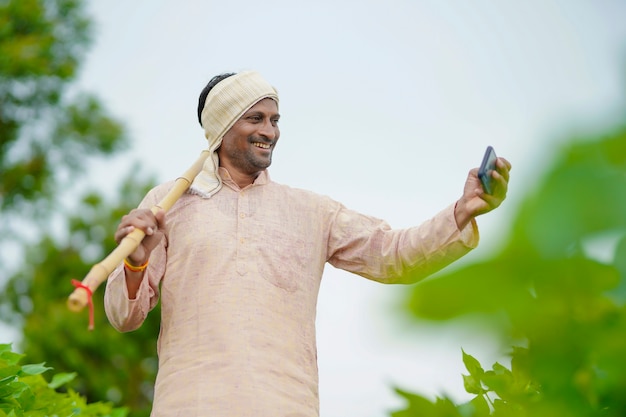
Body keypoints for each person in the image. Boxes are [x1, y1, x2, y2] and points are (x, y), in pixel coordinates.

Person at [104, 70, 511, 417]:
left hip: (286, 403)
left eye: (275, 119)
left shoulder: (311, 211)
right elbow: (124, 317)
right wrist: (135, 264)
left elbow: (394, 256)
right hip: (190, 404)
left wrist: (462, 211)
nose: (269, 131)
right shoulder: (167, 204)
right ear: (222, 128)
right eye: (255, 118)